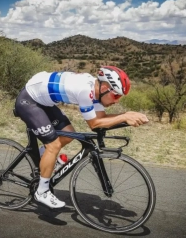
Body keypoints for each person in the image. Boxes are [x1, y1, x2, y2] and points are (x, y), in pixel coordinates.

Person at [14, 66, 149, 208]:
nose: (117, 101)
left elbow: (102, 118)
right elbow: (95, 124)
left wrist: (128, 116)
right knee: (54, 145)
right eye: (116, 95)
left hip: (44, 101)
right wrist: (125, 116)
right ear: (105, 88)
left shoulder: (96, 91)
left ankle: (44, 156)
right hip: (29, 101)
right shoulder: (85, 90)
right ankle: (42, 192)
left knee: (68, 134)